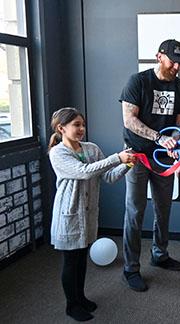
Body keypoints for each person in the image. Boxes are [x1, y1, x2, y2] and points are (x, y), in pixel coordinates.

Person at [48, 107, 134, 321]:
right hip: (68, 215)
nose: (81, 129)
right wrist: (117, 157)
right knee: (71, 261)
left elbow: (109, 177)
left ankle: (81, 298)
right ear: (61, 128)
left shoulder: (92, 148)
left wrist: (128, 164)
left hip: (88, 214)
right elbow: (83, 172)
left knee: (81, 259)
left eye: (83, 124)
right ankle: (71, 305)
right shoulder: (58, 153)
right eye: (76, 125)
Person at [120, 39, 180, 292]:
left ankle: (159, 254)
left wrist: (178, 148)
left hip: (164, 159)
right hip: (137, 156)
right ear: (159, 56)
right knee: (135, 211)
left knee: (164, 209)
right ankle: (131, 268)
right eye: (173, 60)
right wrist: (158, 137)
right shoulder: (138, 82)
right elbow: (129, 120)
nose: (177, 66)